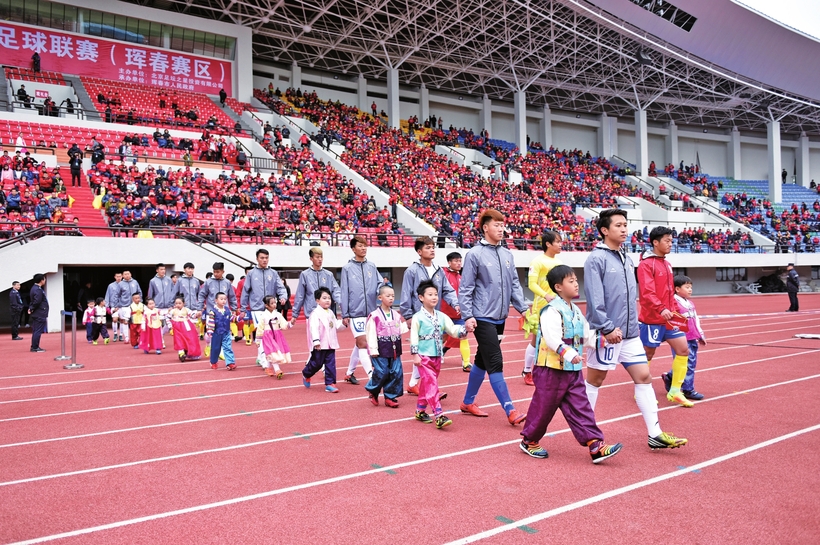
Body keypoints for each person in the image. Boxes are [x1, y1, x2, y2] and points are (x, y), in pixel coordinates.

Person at [583, 209, 687, 450]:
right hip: (608, 334)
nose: (624, 229)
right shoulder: (596, 259)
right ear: (604, 230)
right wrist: (607, 328)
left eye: (625, 225)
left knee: (644, 377)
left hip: (630, 334)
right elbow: (594, 299)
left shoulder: (626, 258)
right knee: (595, 381)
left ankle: (655, 434)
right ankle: (587, 431)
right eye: (618, 225)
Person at [520, 265, 623, 463]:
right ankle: (529, 440)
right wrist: (568, 353)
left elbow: (585, 335)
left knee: (581, 406)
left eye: (576, 280)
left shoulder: (575, 310)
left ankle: (595, 444)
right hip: (551, 369)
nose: (576, 284)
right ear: (558, 287)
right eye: (571, 281)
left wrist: (606, 339)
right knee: (544, 407)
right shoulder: (550, 311)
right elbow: (551, 338)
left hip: (572, 370)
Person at [458, 209, 528, 426]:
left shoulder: (507, 255)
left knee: (482, 359)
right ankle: (510, 409)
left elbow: (515, 284)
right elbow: (466, 288)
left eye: (502, 224)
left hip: (500, 317)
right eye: (496, 225)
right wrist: (467, 315)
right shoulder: (474, 254)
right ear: (485, 227)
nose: (501, 229)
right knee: (495, 360)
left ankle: (467, 402)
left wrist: (523, 309)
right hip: (482, 317)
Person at [637, 226, 693, 408]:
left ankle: (675, 391)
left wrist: (677, 310)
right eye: (667, 241)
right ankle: (641, 391)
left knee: (683, 349)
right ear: (655, 242)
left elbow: (669, 293)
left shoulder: (667, 264)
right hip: (652, 319)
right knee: (647, 354)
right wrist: (661, 309)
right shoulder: (646, 264)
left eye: (671, 240)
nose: (671, 244)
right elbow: (646, 292)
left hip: (669, 319)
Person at [400, 236, 460, 394]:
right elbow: (406, 294)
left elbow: (447, 290)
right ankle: (430, 387)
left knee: (428, 351)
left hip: (434, 317)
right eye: (427, 247)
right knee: (424, 352)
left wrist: (456, 304)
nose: (432, 250)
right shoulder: (412, 271)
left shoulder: (438, 270)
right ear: (419, 252)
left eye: (433, 247)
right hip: (419, 317)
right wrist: (407, 315)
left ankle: (414, 383)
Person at [411, 280, 468, 429]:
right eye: (430, 294)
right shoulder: (417, 317)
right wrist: (415, 354)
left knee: (426, 384)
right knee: (432, 385)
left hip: (437, 356)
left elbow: (452, 330)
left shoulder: (442, 316)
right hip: (424, 356)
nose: (434, 297)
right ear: (421, 298)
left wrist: (464, 330)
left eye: (436, 294)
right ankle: (439, 415)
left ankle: (420, 410)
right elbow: (414, 337)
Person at [340, 235, 388, 384]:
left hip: (371, 312)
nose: (363, 248)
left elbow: (380, 282)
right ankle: (371, 376)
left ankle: (349, 373)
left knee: (360, 343)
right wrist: (345, 313)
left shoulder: (371, 266)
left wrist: (385, 287)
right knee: (363, 342)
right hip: (355, 313)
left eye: (365, 246)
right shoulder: (347, 268)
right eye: (360, 246)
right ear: (353, 249)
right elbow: (344, 291)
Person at [522, 230, 563, 386]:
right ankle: (527, 370)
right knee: (537, 339)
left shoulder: (560, 263)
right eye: (558, 241)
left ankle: (549, 370)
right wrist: (546, 295)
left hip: (558, 306)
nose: (560, 245)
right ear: (548, 244)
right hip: (542, 306)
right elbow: (532, 284)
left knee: (555, 338)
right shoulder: (537, 261)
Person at [660, 275, 707, 401]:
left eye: (691, 287)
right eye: (687, 287)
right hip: (680, 338)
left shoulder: (690, 303)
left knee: (690, 362)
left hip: (692, 336)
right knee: (687, 363)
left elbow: (696, 319)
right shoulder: (673, 302)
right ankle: (688, 389)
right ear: (677, 289)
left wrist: (701, 334)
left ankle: (670, 376)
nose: (690, 290)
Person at [241, 249, 288, 365]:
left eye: (266, 258)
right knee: (262, 333)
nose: (264, 260)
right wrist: (242, 308)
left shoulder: (273, 273)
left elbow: (281, 287)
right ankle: (264, 360)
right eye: (262, 258)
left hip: (271, 309)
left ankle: (260, 356)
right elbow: (245, 291)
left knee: (271, 333)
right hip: (257, 308)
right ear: (257, 259)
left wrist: (283, 296)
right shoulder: (251, 274)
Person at [364, 285, 408, 408]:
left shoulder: (396, 314)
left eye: (393, 296)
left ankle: (390, 396)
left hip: (395, 349)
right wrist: (373, 349)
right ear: (380, 297)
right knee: (382, 372)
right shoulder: (374, 316)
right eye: (388, 296)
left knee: (396, 372)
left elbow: (401, 329)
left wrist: (411, 324)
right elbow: (371, 333)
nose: (391, 298)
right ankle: (373, 390)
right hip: (380, 349)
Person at [302, 287, 346, 393]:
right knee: (316, 363)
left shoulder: (330, 312)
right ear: (317, 300)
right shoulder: (315, 314)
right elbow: (314, 328)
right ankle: (306, 373)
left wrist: (343, 324)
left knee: (330, 364)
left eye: (329, 298)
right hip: (320, 344)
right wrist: (316, 341)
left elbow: (335, 325)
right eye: (324, 298)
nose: (327, 300)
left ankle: (330, 383)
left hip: (330, 344)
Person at [291, 247, 341, 329]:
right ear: (311, 258)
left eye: (321, 257)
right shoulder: (305, 275)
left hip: (327, 313)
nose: (320, 259)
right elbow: (300, 295)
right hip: (312, 314)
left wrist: (341, 303)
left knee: (328, 340)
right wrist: (295, 314)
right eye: (317, 257)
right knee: (314, 340)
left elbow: (336, 290)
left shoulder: (329, 275)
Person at [199, 262, 238, 358]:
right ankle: (208, 345)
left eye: (218, 272)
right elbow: (202, 295)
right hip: (211, 312)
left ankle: (221, 352)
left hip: (224, 313)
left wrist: (234, 308)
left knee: (223, 333)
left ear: (223, 272)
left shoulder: (227, 283)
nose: (216, 274)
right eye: (214, 272)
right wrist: (199, 308)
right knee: (210, 333)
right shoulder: (208, 282)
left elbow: (232, 297)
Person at [441, 252, 471, 372]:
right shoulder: (443, 275)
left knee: (463, 336)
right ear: (449, 262)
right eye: (456, 261)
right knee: (442, 337)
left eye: (460, 261)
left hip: (459, 314)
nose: (459, 263)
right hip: (444, 314)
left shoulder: (461, 277)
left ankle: (466, 363)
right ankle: (439, 354)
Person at [258, 295, 293, 378]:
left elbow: (284, 325)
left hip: (277, 335)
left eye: (275, 302)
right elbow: (260, 328)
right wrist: (258, 340)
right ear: (266, 305)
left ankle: (268, 367)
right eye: (272, 303)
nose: (274, 304)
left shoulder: (278, 314)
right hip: (267, 336)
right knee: (273, 352)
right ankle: (277, 370)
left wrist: (290, 323)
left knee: (274, 352)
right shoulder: (263, 315)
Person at [206, 292, 236, 370]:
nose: (223, 301)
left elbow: (231, 318)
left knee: (228, 347)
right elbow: (211, 322)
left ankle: (230, 363)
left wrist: (239, 318)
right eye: (221, 299)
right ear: (216, 300)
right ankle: (213, 362)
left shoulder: (227, 310)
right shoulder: (213, 311)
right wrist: (210, 331)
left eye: (225, 299)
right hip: (217, 333)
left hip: (226, 332)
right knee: (215, 348)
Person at [169, 296, 202, 362]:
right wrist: (170, 325)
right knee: (179, 340)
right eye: (176, 303)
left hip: (187, 326)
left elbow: (192, 315)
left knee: (190, 339)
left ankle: (190, 352)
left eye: (179, 303)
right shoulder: (172, 311)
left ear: (183, 303)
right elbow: (168, 317)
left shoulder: (187, 309)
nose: (178, 305)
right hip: (177, 327)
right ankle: (181, 353)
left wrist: (196, 314)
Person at [147, 263, 175, 334]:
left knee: (169, 323)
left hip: (169, 306)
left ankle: (161, 335)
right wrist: (150, 305)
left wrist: (172, 304)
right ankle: (160, 340)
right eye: (161, 269)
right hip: (157, 306)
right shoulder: (152, 281)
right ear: (157, 270)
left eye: (164, 269)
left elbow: (173, 292)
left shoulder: (169, 280)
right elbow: (150, 294)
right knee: (157, 324)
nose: (163, 271)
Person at [117, 270, 142, 344]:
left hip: (135, 305)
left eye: (128, 274)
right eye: (125, 274)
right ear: (123, 276)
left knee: (137, 321)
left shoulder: (135, 282)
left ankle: (138, 337)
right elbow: (117, 295)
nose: (127, 275)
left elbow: (139, 292)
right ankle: (126, 337)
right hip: (125, 305)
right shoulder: (120, 284)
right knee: (125, 321)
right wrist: (118, 304)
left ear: (130, 274)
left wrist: (140, 301)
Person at [29, 273, 48, 352]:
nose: (45, 280)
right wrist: (32, 308)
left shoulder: (35, 288)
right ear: (41, 280)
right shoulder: (37, 289)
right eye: (44, 279)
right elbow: (37, 301)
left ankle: (34, 346)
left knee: (36, 330)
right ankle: (35, 347)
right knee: (38, 330)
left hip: (37, 312)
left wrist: (31, 308)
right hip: (39, 312)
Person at [105, 273, 123, 342]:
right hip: (113, 305)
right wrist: (107, 306)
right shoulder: (111, 285)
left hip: (122, 306)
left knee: (122, 320)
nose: (119, 278)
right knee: (115, 319)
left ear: (122, 277)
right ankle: (115, 333)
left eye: (120, 276)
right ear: (115, 277)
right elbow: (107, 295)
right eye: (117, 276)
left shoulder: (124, 284)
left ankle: (121, 335)